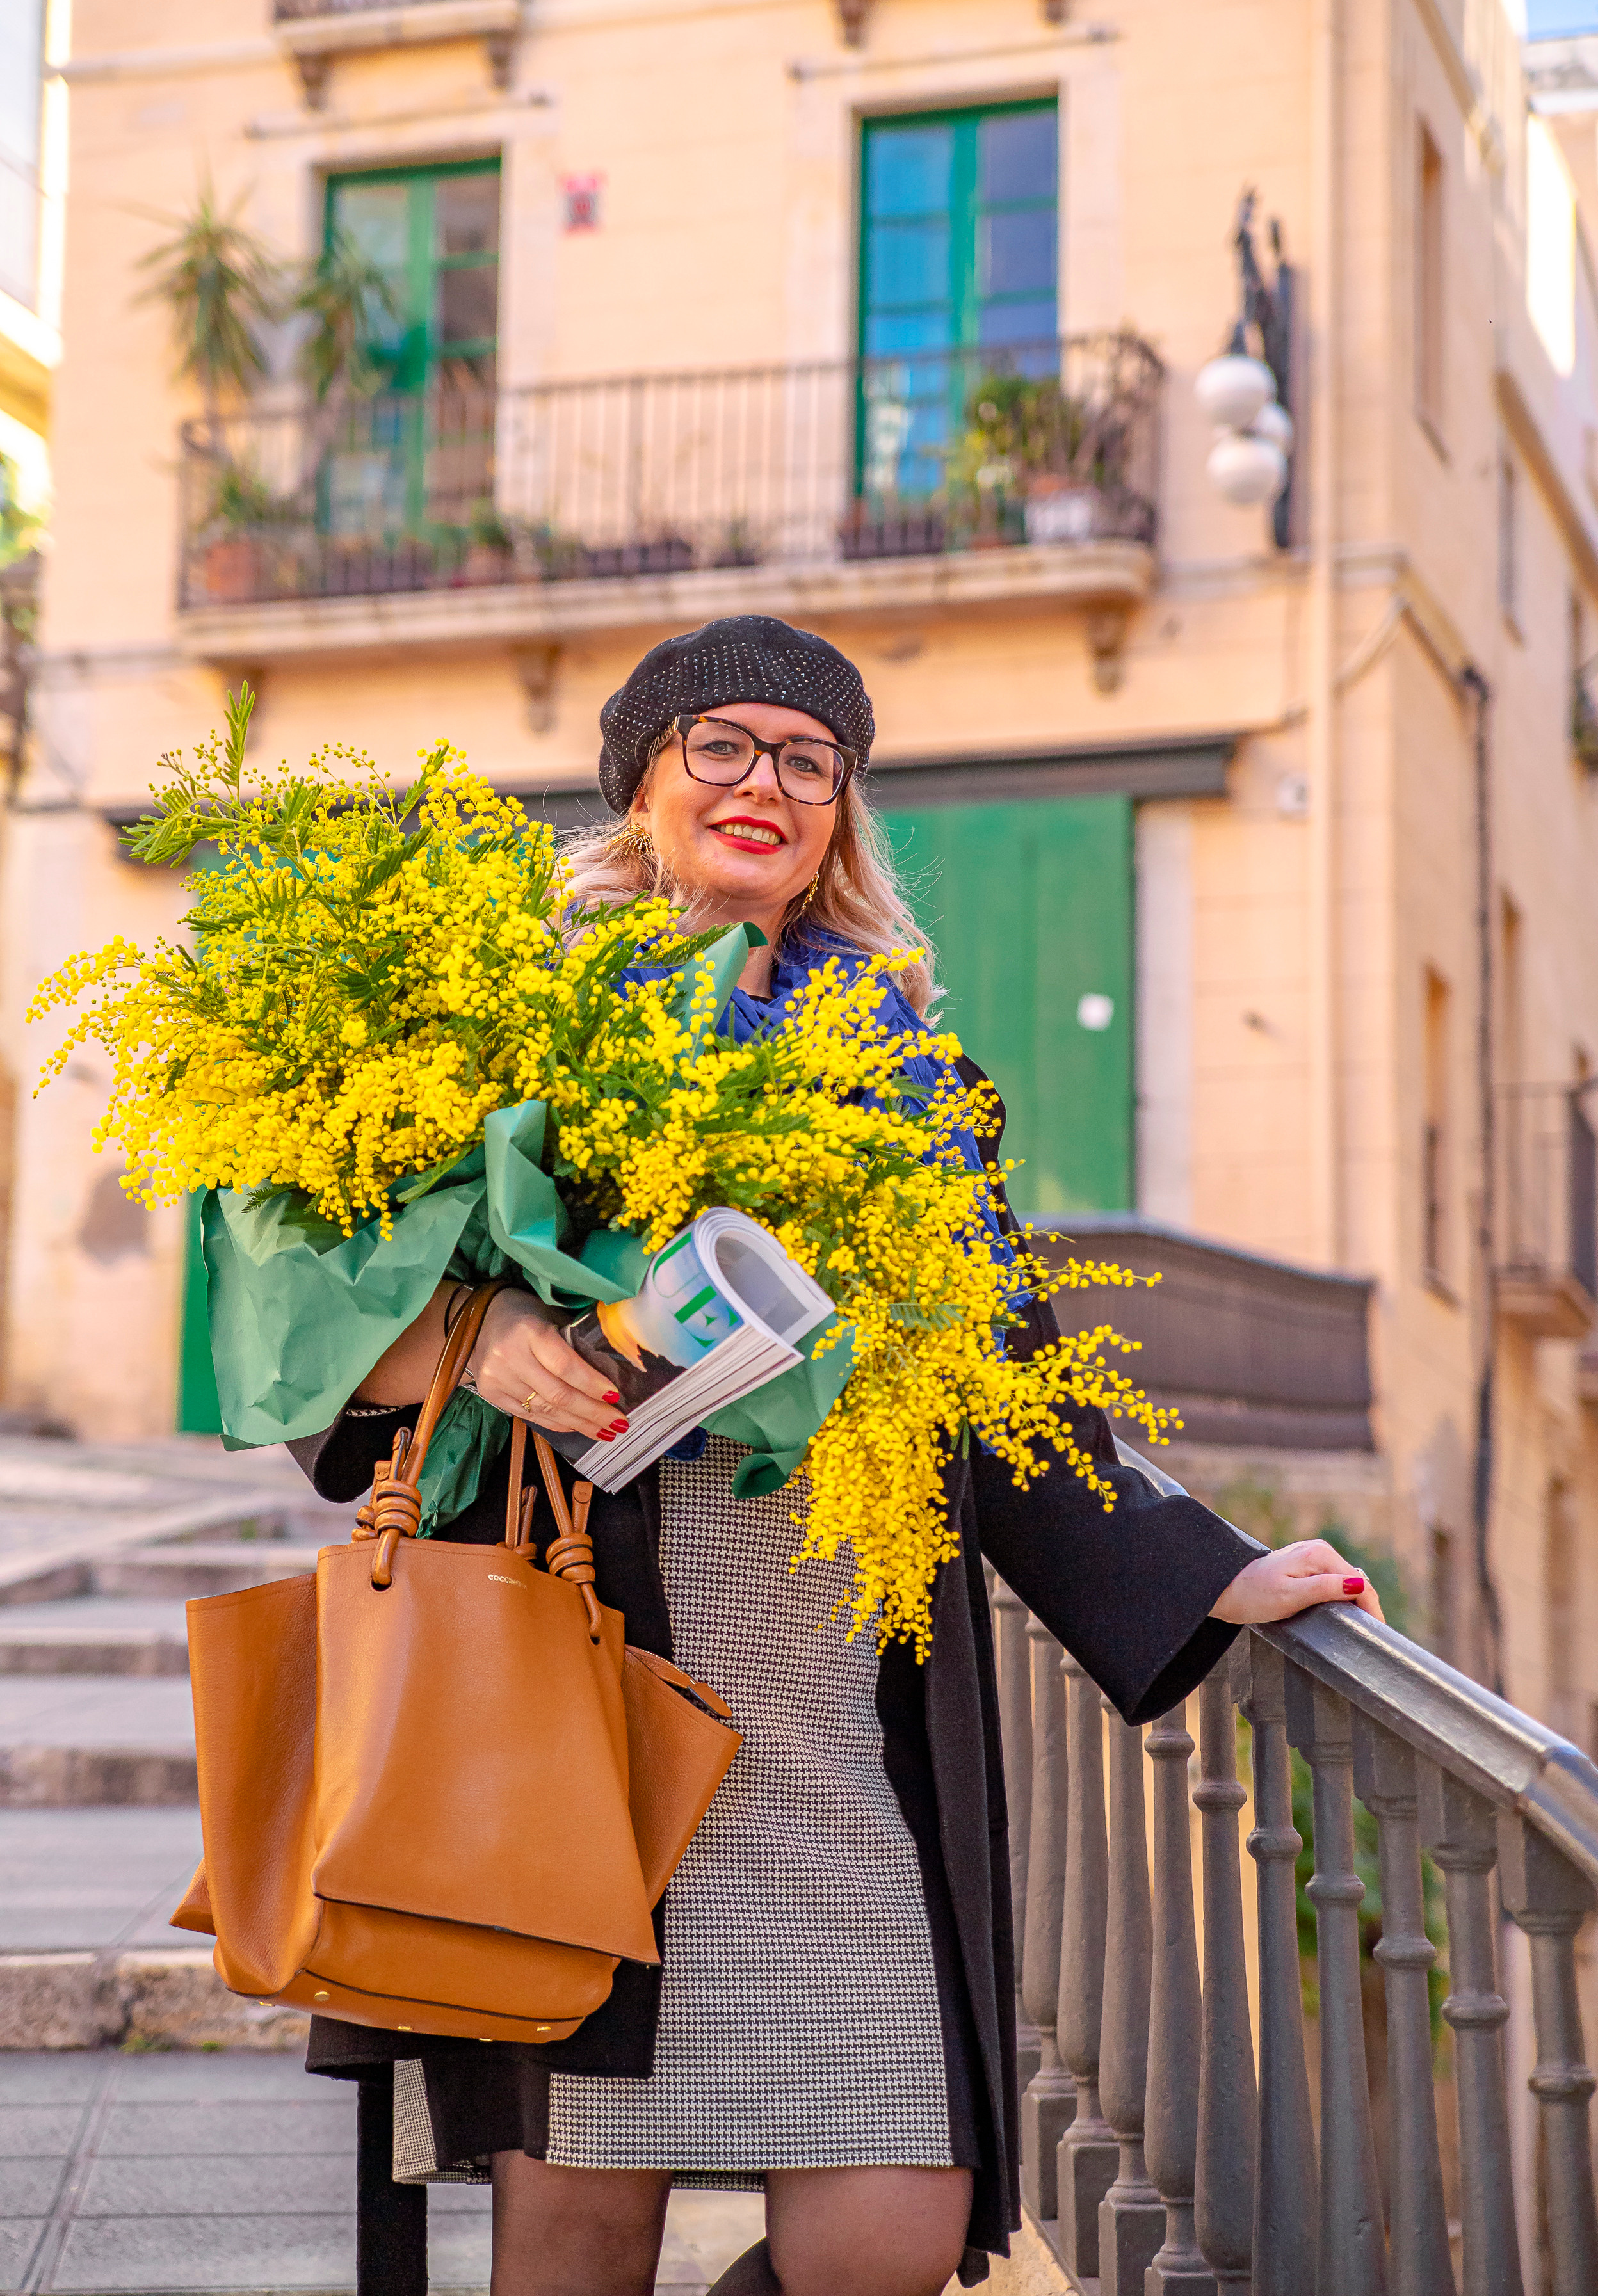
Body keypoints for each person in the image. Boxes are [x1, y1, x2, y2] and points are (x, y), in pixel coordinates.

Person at [290, 616, 1382, 2296]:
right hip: (579, 1700)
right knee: (574, 2234)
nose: (765, 783)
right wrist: (464, 1339)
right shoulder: (500, 1015)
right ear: (643, 781)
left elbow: (1009, 1384)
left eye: (810, 761)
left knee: (893, 2230)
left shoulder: (911, 1072)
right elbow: (310, 1299)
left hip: (834, 1725)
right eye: (719, 744)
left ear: (841, 814)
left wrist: (1202, 1565)